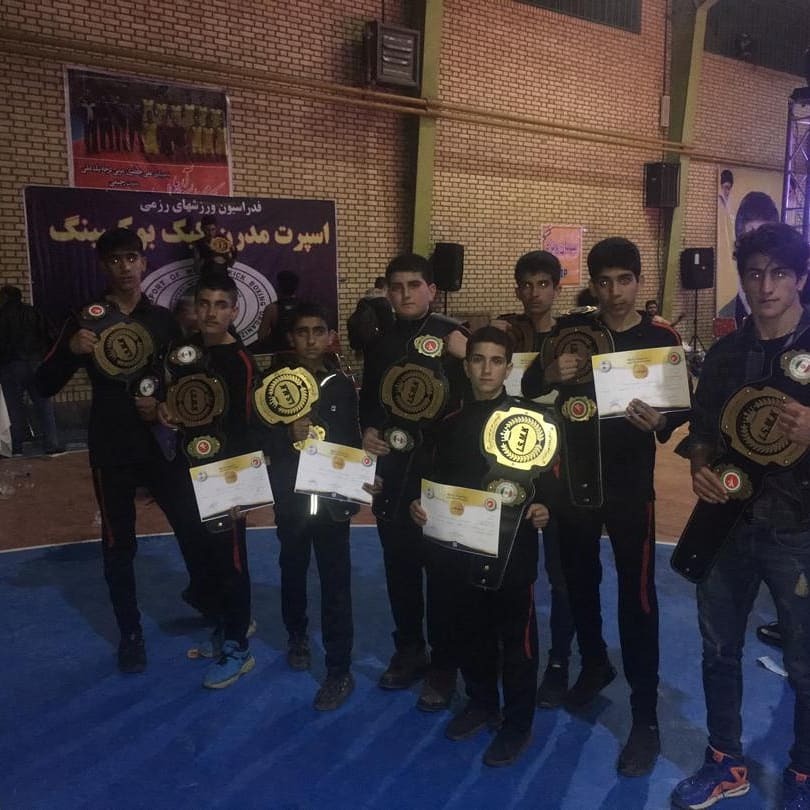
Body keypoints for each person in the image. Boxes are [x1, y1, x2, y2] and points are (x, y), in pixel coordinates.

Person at [522, 237, 686, 776]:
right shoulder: (571, 332)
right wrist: (550, 374)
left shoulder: (660, 337)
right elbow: (529, 382)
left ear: (639, 282)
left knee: (637, 598)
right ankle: (594, 664)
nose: (614, 291)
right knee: (579, 583)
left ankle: (645, 718)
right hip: (574, 485)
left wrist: (663, 422)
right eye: (604, 281)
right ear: (592, 284)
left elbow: (683, 406)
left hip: (630, 490)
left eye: (624, 280)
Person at [672, 223, 810, 810]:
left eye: (779, 273)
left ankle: (803, 772)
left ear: (800, 278)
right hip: (726, 524)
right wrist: (700, 468)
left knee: (805, 663)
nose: (766, 286)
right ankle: (726, 762)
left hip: (799, 532)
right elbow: (703, 430)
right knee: (719, 651)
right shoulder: (726, 353)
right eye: (755, 273)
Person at [35, 228, 211, 673]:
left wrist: (165, 403)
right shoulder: (85, 319)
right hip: (111, 447)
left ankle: (203, 594)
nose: (125, 267)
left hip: (161, 444)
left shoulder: (162, 319)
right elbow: (42, 384)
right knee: (119, 545)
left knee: (193, 526)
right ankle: (130, 632)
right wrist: (70, 351)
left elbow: (184, 378)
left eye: (132, 257)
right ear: (103, 266)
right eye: (115, 260)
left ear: (144, 262)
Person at [410, 326, 552, 766]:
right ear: (466, 365)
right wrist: (420, 504)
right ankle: (481, 701)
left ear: (508, 368)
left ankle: (518, 723)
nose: (486, 369)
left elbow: (551, 481)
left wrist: (545, 506)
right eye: (477, 359)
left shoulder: (532, 420)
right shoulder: (448, 422)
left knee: (516, 639)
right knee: (471, 629)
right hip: (461, 545)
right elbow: (431, 481)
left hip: (513, 551)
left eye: (496, 361)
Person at [359, 253, 469, 711]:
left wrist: (466, 354)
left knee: (442, 574)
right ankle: (409, 650)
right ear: (388, 291)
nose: (404, 294)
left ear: (432, 290)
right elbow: (370, 401)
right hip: (394, 474)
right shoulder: (380, 341)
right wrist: (367, 431)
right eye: (396, 286)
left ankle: (444, 665)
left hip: (441, 474)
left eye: (414, 285)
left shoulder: (455, 336)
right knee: (399, 569)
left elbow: (481, 397)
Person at [160, 273, 258, 689]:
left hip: (225, 476)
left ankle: (238, 648)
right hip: (187, 469)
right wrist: (164, 410)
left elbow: (250, 427)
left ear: (234, 311)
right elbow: (172, 398)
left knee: (231, 560)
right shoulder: (183, 353)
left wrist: (244, 491)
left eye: (221, 305)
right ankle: (223, 624)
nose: (212, 313)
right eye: (205, 304)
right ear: (195, 308)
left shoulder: (241, 362)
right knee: (205, 556)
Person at [263, 303, 359, 710]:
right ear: (291, 338)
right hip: (293, 501)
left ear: (329, 335)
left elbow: (353, 439)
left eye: (318, 330)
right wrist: (285, 434)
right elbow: (257, 438)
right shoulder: (273, 383)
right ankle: (297, 635)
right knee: (293, 571)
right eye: (302, 332)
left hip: (334, 501)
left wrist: (360, 481)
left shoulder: (342, 384)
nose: (311, 339)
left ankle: (339, 669)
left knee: (337, 584)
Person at [491, 252, 576, 709]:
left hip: (561, 469)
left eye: (543, 284)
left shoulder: (575, 336)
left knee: (561, 575)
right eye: (526, 284)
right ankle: (506, 651)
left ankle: (559, 663)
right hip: (511, 462)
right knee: (507, 567)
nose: (534, 293)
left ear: (557, 288)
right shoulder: (507, 331)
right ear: (517, 289)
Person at [0, 285, 61, 455]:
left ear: (5, 297)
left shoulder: (2, 315)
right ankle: (51, 444)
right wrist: (45, 357)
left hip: (10, 366)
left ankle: (16, 447)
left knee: (13, 407)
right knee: (43, 404)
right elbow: (52, 335)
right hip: (36, 363)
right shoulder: (34, 312)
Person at [256, 270, 300, 352]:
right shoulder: (303, 307)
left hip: (279, 353)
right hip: (299, 352)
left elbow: (261, 336)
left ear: (278, 287)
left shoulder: (271, 309)